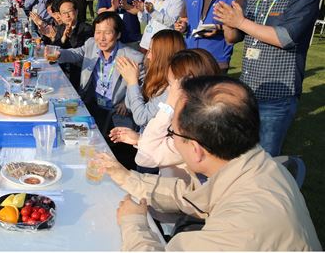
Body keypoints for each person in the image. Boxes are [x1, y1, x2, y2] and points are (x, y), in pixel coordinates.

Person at [98, 75, 321, 250]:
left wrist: (133, 223)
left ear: (196, 150)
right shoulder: (255, 163)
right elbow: (195, 195)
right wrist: (128, 177)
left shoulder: (239, 231)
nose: (172, 139)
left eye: (172, 133)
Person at [214, 0, 320, 157]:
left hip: (277, 97)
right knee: (240, 155)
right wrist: (228, 21)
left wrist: (241, 22)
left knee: (264, 160)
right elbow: (234, 38)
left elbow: (285, 37)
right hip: (248, 93)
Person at [110, 48, 221, 177]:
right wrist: (139, 140)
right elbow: (165, 149)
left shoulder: (193, 128)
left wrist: (169, 104)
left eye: (171, 84)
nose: (148, 55)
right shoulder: (200, 116)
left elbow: (145, 158)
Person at [56, 12, 144, 170]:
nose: (101, 38)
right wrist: (59, 53)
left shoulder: (133, 57)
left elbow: (146, 85)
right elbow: (76, 54)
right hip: (93, 105)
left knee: (118, 157)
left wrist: (127, 102)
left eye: (107, 32)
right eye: (98, 32)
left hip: (117, 112)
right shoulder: (91, 44)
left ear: (118, 35)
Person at [52, 0, 94, 91]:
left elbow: (80, 52)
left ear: (76, 12)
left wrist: (72, 34)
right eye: (64, 13)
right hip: (62, 72)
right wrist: (63, 37)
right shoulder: (60, 28)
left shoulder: (87, 28)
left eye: (70, 11)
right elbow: (55, 49)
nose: (67, 15)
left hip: (79, 72)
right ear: (60, 15)